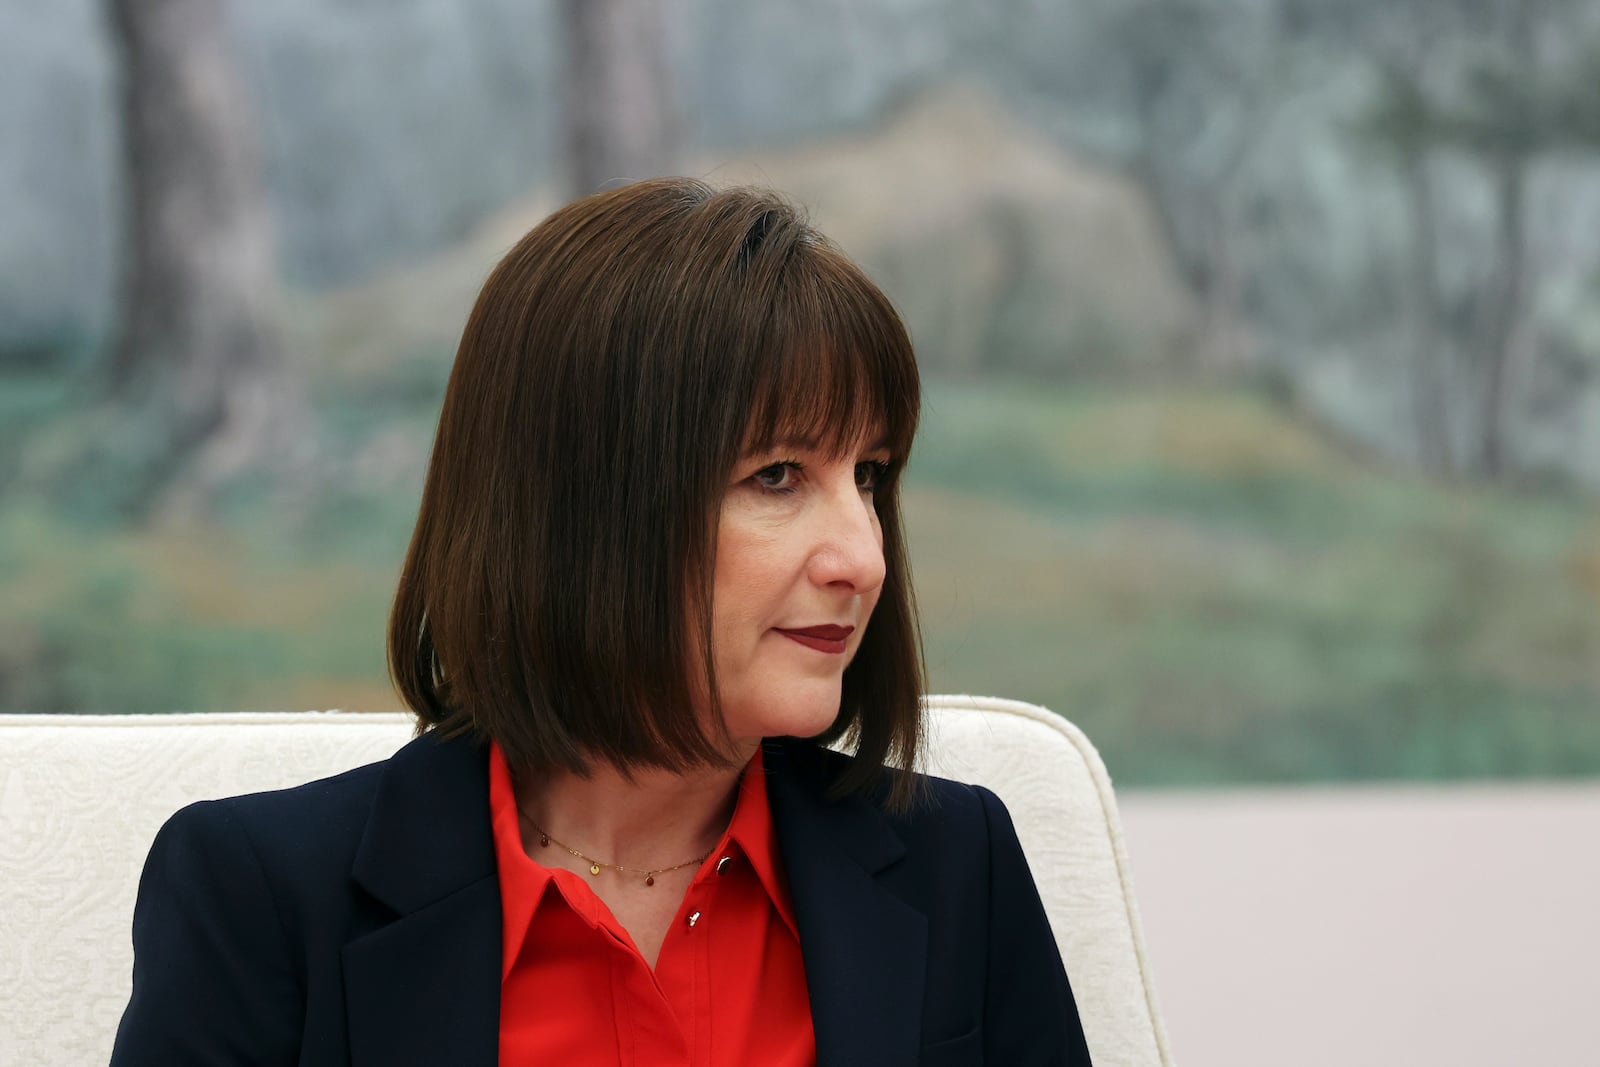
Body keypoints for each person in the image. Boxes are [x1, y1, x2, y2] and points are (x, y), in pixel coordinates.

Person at [110, 178, 1093, 1066]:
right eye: (777, 475)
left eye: (869, 475)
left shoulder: (958, 862)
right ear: (575, 506)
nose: (864, 558)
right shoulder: (261, 895)